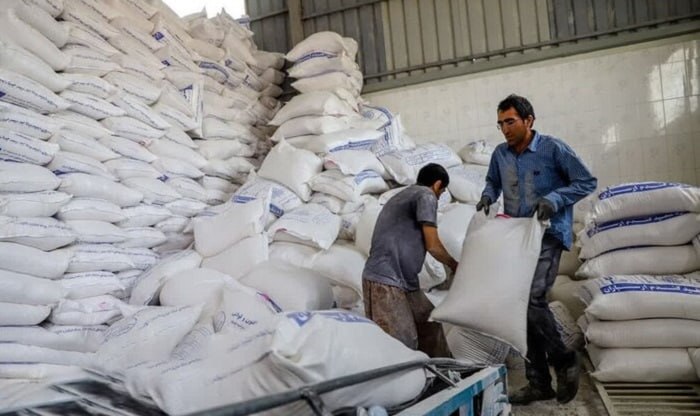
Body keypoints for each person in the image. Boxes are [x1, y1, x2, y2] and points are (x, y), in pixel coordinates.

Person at [476, 94, 596, 405]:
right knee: (522, 306)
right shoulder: (500, 154)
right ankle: (539, 383)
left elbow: (586, 181)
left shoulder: (553, 148)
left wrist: (554, 199)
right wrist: (488, 196)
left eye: (510, 122)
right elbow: (493, 182)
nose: (505, 129)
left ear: (529, 120)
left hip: (548, 234)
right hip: (518, 237)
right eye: (501, 124)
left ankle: (563, 359)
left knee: (533, 298)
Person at [362, 163, 459, 357]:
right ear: (437, 184)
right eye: (441, 192)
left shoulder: (404, 195)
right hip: (385, 280)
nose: (439, 197)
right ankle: (415, 377)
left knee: (430, 325)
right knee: (402, 342)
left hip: (405, 281)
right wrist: (455, 264)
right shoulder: (426, 195)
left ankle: (445, 371)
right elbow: (433, 245)